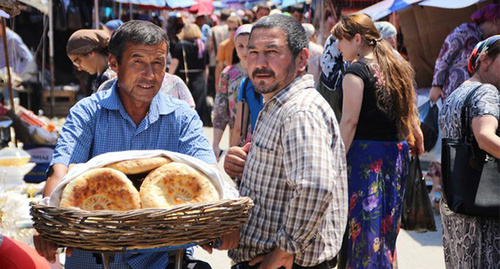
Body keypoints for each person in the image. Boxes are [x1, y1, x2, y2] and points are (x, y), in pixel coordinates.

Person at [33, 20, 215, 269]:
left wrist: (217, 219)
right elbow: (60, 169)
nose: (149, 75)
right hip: (94, 255)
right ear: (114, 64)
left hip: (162, 257)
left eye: (158, 63)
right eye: (137, 61)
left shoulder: (182, 116)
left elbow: (208, 172)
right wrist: (48, 220)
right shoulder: (88, 113)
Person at [217, 14, 348, 268]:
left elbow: (316, 187)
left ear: (301, 60)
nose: (260, 62)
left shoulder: (300, 111)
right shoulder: (278, 103)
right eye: (253, 52)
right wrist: (246, 167)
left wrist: (283, 252)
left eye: (272, 52)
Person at [332, 13, 423, 268]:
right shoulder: (396, 67)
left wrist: (334, 162)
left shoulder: (356, 72)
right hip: (395, 155)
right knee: (386, 229)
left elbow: (349, 122)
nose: (338, 46)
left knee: (363, 230)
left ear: (357, 39)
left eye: (341, 40)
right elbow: (408, 118)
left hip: (365, 158)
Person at [439, 35, 500, 269]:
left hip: (458, 204)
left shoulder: (456, 94)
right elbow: (485, 137)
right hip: (483, 208)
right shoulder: (487, 92)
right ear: (484, 60)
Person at [429, 3, 499, 102]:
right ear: (496, 21)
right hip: (453, 94)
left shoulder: (487, 43)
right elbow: (444, 56)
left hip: (471, 97)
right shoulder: (465, 30)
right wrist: (436, 85)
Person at [212, 24, 252, 161]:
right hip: (236, 144)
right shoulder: (228, 74)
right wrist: (215, 143)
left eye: (249, 46)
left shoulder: (264, 73)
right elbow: (220, 111)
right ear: (235, 47)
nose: (245, 51)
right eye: (240, 46)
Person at [169, 23, 211, 126]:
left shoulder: (181, 45)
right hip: (199, 77)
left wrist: (168, 76)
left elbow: (175, 62)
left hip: (184, 77)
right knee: (199, 102)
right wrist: (205, 80)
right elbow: (206, 67)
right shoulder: (202, 45)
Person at [215, 16, 242, 88]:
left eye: (235, 29)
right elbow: (219, 65)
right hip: (230, 78)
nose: (232, 31)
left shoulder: (246, 43)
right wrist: (217, 84)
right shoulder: (224, 45)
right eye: (230, 29)